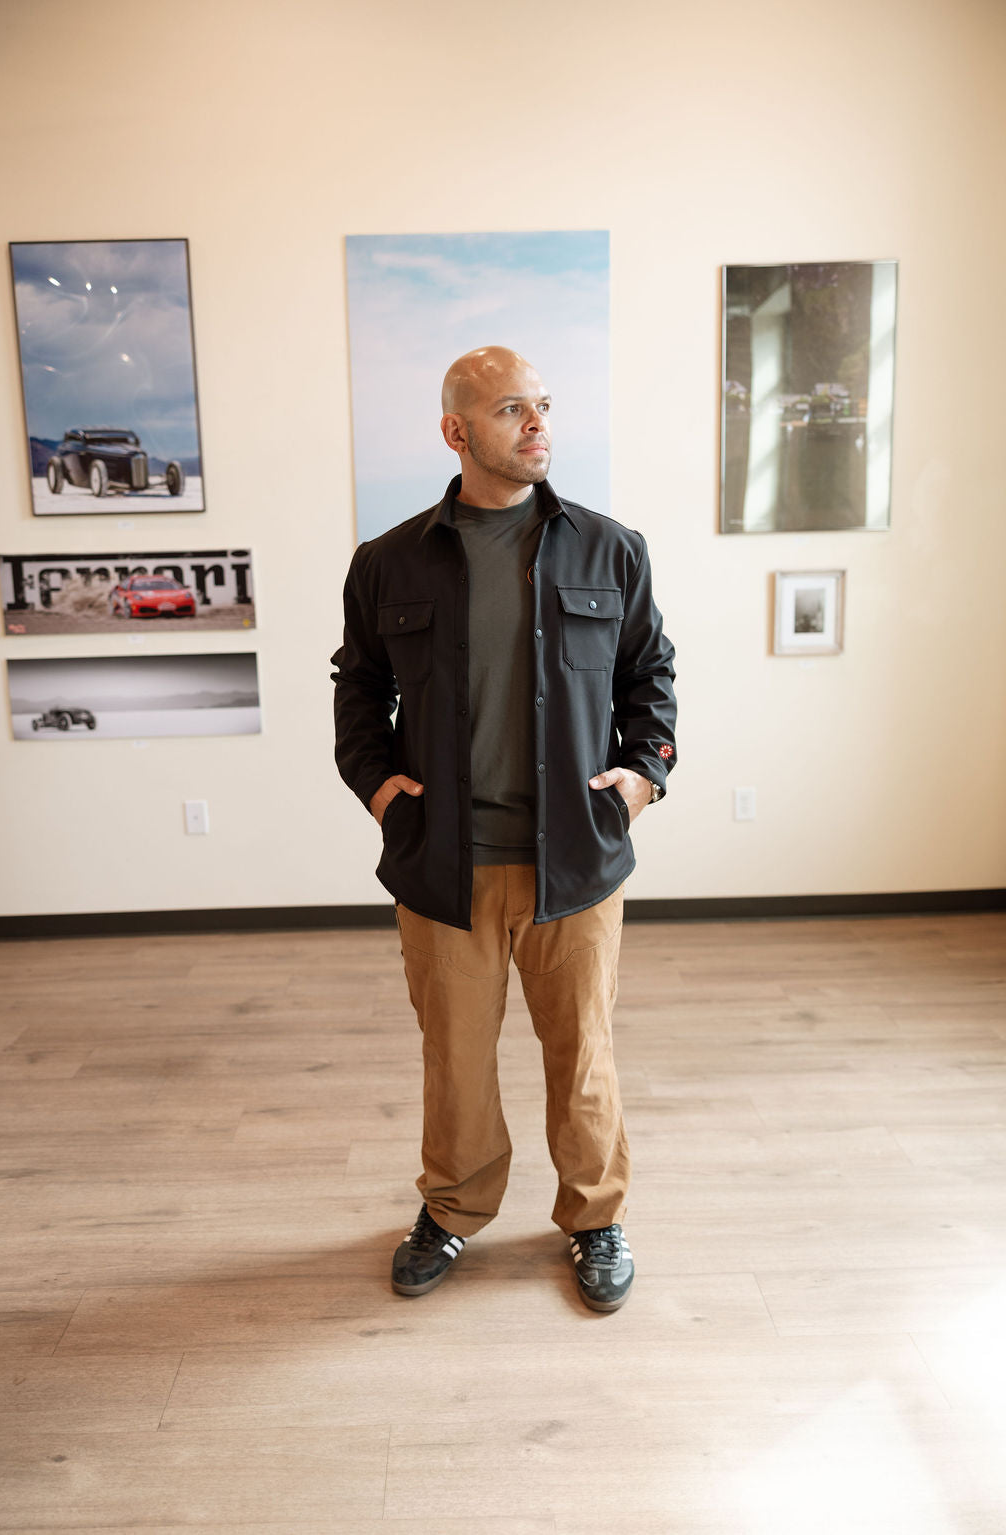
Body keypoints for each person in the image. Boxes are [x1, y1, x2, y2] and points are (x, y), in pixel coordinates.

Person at [331, 346, 676, 1312]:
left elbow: (651, 677)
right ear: (457, 431)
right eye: (511, 408)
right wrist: (379, 789)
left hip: (578, 860)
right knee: (456, 1060)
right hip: (446, 863)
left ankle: (596, 1217)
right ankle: (453, 1207)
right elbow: (358, 688)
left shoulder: (611, 548)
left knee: (583, 1053)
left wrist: (643, 776)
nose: (537, 425)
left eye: (544, 405)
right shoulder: (389, 561)